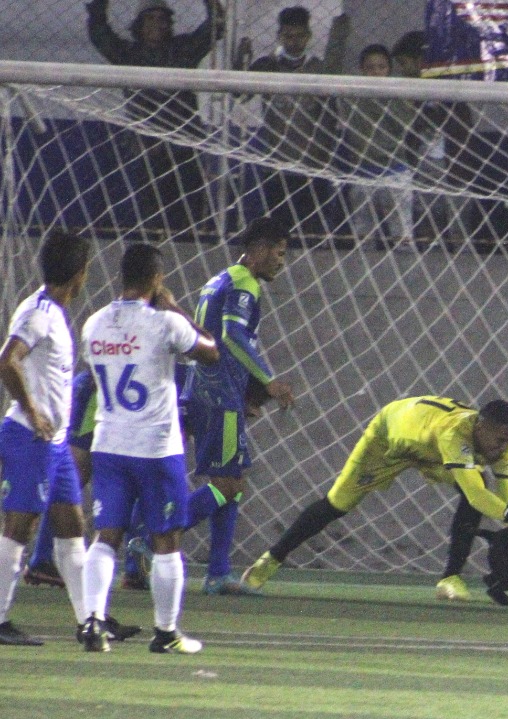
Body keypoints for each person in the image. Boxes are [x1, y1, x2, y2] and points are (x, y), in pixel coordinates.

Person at [240, 395, 508, 600]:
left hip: (435, 453)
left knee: (473, 485)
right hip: (389, 439)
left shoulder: (501, 446)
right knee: (337, 503)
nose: (504, 448)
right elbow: (481, 496)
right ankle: (270, 560)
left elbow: (506, 497)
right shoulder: (454, 434)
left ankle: (450, 578)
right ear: (480, 426)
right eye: (500, 439)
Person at [80, 244, 219, 653]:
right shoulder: (164, 324)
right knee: (166, 539)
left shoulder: (93, 324)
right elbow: (211, 351)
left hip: (109, 444)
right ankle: (166, 633)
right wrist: (176, 307)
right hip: (156, 448)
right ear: (157, 279)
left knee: (106, 535)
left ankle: (92, 622)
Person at [0, 230, 127, 647]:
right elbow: (7, 361)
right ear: (80, 273)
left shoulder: (53, 311)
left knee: (72, 526)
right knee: (20, 526)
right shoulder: (37, 312)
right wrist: (34, 412)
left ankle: (89, 620)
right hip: (28, 437)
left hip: (52, 445)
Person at [181, 216, 296, 595]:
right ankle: (159, 533)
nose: (281, 261)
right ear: (260, 249)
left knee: (233, 480)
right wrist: (268, 380)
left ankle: (218, 571)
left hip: (210, 390)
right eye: (278, 253)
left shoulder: (220, 279)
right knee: (228, 484)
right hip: (218, 394)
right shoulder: (245, 284)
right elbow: (231, 336)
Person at [86, 0, 226, 234]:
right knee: (152, 216)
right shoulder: (129, 54)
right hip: (148, 148)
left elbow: (214, 28)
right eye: (151, 18)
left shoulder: (183, 50)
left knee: (191, 215)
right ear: (139, 24)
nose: (157, 24)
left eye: (163, 19)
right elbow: (100, 33)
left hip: (184, 145)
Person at [22, 369, 152, 591]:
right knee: (74, 477)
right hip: (103, 390)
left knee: (136, 474)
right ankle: (43, 558)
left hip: (124, 390)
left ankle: (134, 568)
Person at [242, 7, 350, 236]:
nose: (294, 42)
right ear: (280, 36)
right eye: (288, 36)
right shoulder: (268, 67)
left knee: (312, 232)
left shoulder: (317, 69)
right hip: (278, 166)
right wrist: (243, 64)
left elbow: (332, 113)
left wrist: (340, 29)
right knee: (279, 232)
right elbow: (240, 96)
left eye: (300, 36)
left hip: (314, 166)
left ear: (309, 36)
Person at [390, 30, 470, 248]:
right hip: (421, 164)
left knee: (457, 227)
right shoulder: (407, 94)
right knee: (425, 220)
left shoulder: (452, 88)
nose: (402, 70)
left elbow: (461, 126)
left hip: (452, 165)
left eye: (404, 63)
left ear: (420, 61)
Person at [343, 44, 418, 250]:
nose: (376, 72)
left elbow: (405, 126)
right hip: (362, 171)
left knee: (402, 236)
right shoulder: (352, 98)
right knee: (363, 237)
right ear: (361, 70)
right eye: (370, 68)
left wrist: (386, 98)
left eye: (381, 67)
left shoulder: (400, 96)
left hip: (395, 171)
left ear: (389, 70)